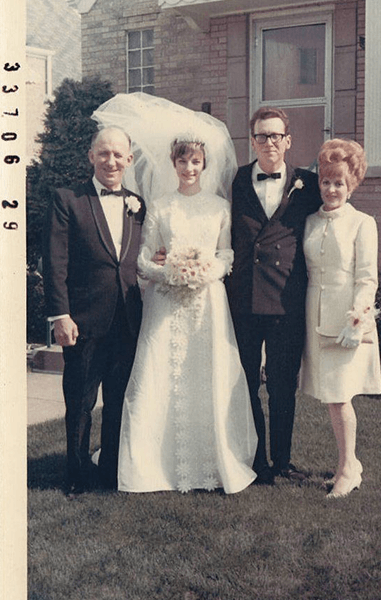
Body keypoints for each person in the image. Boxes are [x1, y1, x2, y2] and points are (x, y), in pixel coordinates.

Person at [115, 135, 257, 494]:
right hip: (166, 302)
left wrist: (204, 272)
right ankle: (154, 463)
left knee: (208, 374)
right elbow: (144, 258)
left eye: (195, 162)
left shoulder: (219, 208)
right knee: (163, 372)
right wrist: (173, 273)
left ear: (204, 164)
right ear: (173, 164)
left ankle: (212, 460)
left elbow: (226, 255)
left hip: (208, 303)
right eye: (182, 162)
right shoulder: (161, 207)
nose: (189, 169)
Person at [42, 126, 146, 495]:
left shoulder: (137, 204)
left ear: (129, 160)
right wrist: (60, 315)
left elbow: (136, 261)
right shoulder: (68, 199)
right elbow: (55, 261)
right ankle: (76, 474)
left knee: (118, 401)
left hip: (128, 320)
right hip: (83, 321)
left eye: (119, 154)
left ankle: (111, 470)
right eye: (103, 153)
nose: (111, 161)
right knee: (81, 401)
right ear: (91, 156)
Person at [225, 106, 322, 485]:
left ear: (288, 141)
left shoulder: (309, 184)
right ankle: (254, 459)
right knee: (245, 383)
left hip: (286, 301)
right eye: (261, 136)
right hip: (243, 302)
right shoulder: (233, 182)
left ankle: (281, 462)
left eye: (275, 136)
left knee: (283, 386)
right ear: (252, 141)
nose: (269, 142)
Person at [299, 138, 381, 498]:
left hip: (345, 318)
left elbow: (367, 278)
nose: (331, 189)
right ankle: (348, 463)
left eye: (339, 183)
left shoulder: (363, 223)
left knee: (339, 396)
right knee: (330, 395)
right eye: (326, 182)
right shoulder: (309, 221)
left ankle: (349, 468)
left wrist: (357, 321)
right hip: (312, 312)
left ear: (351, 185)